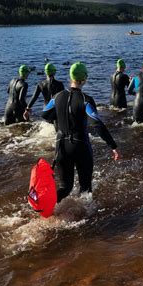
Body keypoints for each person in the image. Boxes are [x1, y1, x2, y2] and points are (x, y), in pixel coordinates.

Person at [42, 62, 119, 202]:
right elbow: (96, 123)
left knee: (65, 187)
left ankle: (47, 207)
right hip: (80, 145)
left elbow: (45, 114)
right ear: (84, 79)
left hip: (61, 146)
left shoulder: (57, 97)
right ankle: (86, 219)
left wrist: (59, 116)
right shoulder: (86, 100)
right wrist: (112, 145)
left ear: (70, 77)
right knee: (85, 188)